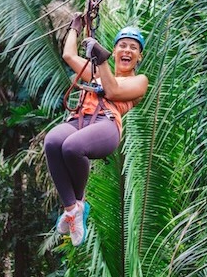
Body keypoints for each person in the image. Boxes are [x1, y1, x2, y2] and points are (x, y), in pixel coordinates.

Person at [44, 13, 148, 246]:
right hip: (80, 119)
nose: (127, 51)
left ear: (139, 56)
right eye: (122, 46)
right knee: (52, 141)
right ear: (115, 51)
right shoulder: (98, 72)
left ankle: (78, 202)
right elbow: (68, 55)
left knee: (72, 147)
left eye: (133, 48)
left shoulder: (139, 81)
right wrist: (75, 27)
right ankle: (73, 209)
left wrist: (100, 60)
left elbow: (112, 92)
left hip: (106, 125)